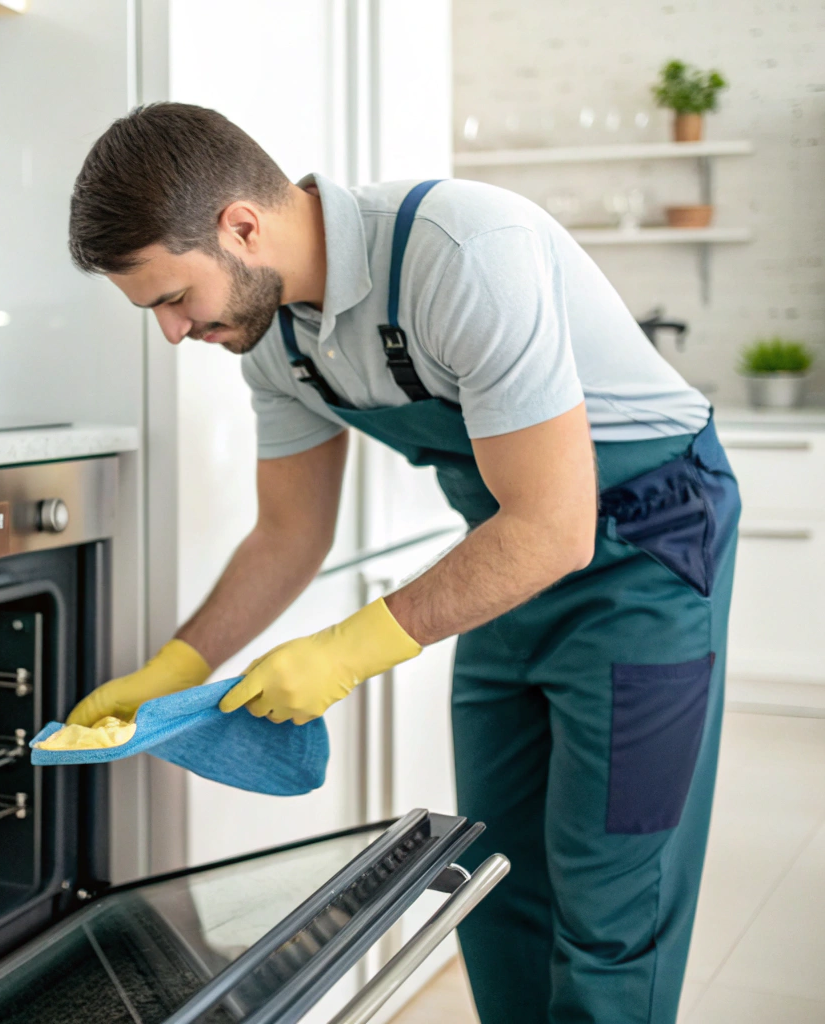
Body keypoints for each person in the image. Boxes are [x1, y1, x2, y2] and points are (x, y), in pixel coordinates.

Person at [65, 102, 740, 1024]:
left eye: (174, 299)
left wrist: (349, 649)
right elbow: (286, 535)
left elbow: (555, 527)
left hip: (643, 552)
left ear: (241, 227)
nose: (174, 332)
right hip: (501, 564)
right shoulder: (276, 342)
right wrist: (176, 666)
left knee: (613, 891)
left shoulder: (459, 251)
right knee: (493, 878)